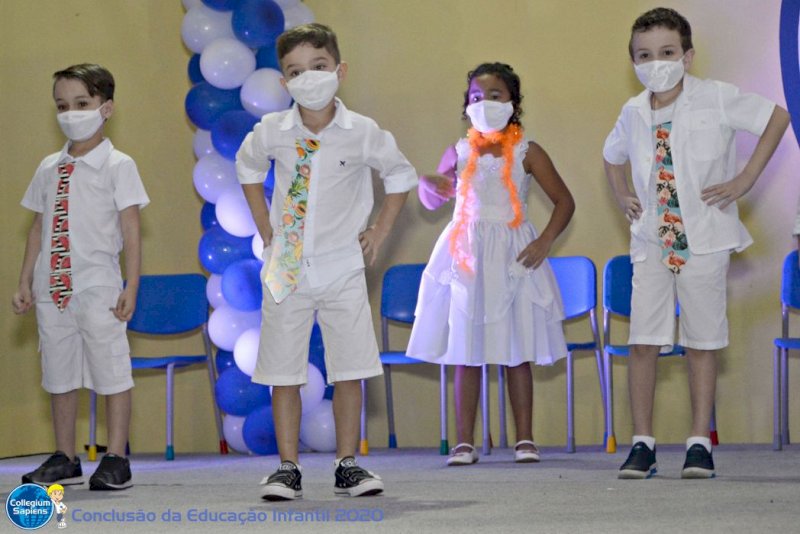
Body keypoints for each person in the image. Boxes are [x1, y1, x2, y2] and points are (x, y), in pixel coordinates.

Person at [603, 7, 789, 479]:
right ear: (633, 62)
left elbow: (777, 116)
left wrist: (745, 177)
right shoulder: (632, 110)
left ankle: (698, 442)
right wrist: (622, 191)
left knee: (702, 342)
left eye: (666, 52)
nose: (656, 62)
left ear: (686, 56)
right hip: (651, 240)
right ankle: (642, 444)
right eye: (645, 55)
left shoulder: (716, 97)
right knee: (643, 340)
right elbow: (612, 156)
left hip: (703, 239)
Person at [236, 23, 417, 500]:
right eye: (296, 71)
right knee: (282, 369)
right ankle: (287, 467)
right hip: (286, 265)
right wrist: (264, 227)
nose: (309, 77)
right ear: (283, 82)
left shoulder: (362, 132)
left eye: (318, 67)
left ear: (339, 70)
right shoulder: (272, 130)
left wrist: (379, 231)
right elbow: (247, 169)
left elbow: (400, 176)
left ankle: (348, 463)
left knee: (350, 367)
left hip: (342, 264)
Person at [407, 62, 575, 466]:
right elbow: (436, 198)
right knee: (466, 348)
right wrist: (428, 185)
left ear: (513, 102)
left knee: (517, 348)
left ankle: (525, 439)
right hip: (467, 255)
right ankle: (464, 441)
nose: (485, 103)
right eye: (476, 98)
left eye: (495, 95)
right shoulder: (460, 150)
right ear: (467, 106)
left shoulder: (528, 151)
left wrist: (544, 241)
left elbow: (565, 202)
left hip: (514, 253)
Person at [13, 63, 149, 490]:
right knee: (59, 371)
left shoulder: (118, 165)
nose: (71, 113)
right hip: (52, 286)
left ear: (105, 108)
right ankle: (66, 456)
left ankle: (116, 458)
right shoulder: (48, 167)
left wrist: (132, 284)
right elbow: (37, 226)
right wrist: (24, 280)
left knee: (111, 370)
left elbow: (131, 229)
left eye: (82, 104)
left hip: (98, 286)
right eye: (62, 105)